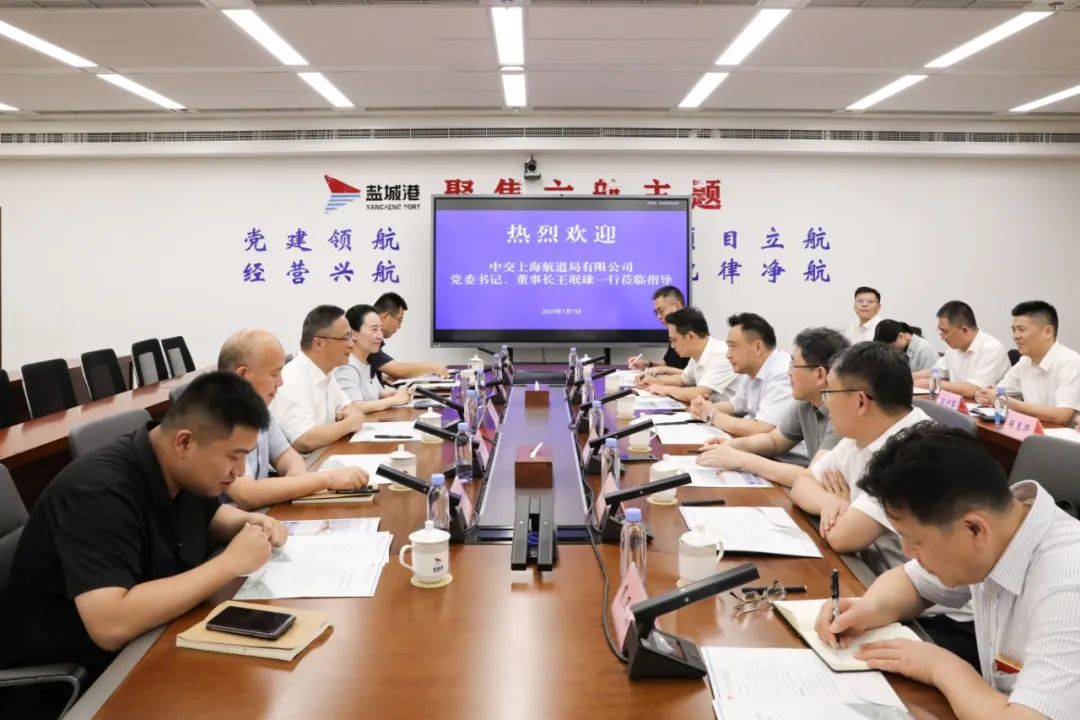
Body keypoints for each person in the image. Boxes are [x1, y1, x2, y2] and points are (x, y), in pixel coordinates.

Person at [0, 372, 286, 693]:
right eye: (234, 456)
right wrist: (229, 563)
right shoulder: (97, 493)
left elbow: (208, 517)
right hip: (80, 682)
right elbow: (111, 624)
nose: (240, 471)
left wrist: (248, 523)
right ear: (185, 442)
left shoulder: (180, 467)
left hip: (148, 642)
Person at [815, 424, 1080, 720]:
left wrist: (940, 667)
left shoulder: (1068, 585)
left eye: (916, 541)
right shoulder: (1001, 527)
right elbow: (911, 582)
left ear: (974, 529)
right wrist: (867, 609)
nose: (907, 552)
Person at [790, 342, 976, 663]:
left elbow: (843, 537)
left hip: (941, 619)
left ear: (861, 401)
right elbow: (802, 483)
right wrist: (831, 502)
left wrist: (842, 505)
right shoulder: (860, 436)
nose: (825, 402)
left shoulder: (912, 452)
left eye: (829, 393)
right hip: (885, 587)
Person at [217, 328, 369, 510]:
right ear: (243, 375)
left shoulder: (259, 410)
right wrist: (326, 479)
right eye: (274, 374)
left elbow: (287, 457)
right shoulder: (216, 420)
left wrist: (297, 483)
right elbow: (247, 494)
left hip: (262, 514)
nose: (280, 382)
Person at [696, 327, 849, 488]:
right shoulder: (805, 402)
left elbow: (813, 478)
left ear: (820, 375)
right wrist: (731, 445)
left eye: (794, 365)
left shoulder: (844, 412)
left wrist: (741, 459)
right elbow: (774, 441)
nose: (789, 372)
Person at [270, 304, 366, 462]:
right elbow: (305, 440)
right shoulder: (292, 378)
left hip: (326, 455)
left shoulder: (326, 371)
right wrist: (349, 424)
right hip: (305, 467)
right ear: (319, 343)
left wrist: (347, 421)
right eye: (345, 338)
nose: (351, 344)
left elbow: (355, 412)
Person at [974, 301, 1080, 426]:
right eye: (1014, 330)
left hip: (1061, 436)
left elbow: (1062, 416)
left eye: (1021, 330)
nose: (1016, 336)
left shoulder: (1070, 362)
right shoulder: (1025, 360)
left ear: (1047, 331)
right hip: (1033, 430)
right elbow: (999, 391)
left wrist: (1007, 402)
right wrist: (984, 394)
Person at [688, 313, 793, 438]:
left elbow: (763, 429)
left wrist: (712, 415)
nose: (728, 355)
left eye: (732, 347)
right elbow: (734, 407)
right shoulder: (753, 370)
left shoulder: (782, 373)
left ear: (757, 347)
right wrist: (702, 408)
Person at [637, 307, 740, 403]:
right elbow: (683, 380)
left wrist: (663, 389)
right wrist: (654, 381)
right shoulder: (698, 353)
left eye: (674, 340)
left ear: (690, 336)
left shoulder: (721, 354)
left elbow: (698, 393)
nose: (672, 346)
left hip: (730, 414)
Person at [913, 300, 1010, 397]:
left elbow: (974, 389)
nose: (942, 337)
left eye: (945, 332)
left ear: (964, 330)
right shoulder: (954, 348)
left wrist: (933, 384)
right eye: (940, 331)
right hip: (959, 403)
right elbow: (936, 371)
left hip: (986, 405)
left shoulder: (992, 348)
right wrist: (911, 377)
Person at [335, 304, 414, 411]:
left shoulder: (367, 362)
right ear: (353, 334)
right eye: (374, 329)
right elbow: (354, 406)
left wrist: (398, 393)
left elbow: (377, 392)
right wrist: (394, 400)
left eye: (381, 329)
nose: (380, 336)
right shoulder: (346, 365)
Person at [369, 292, 449, 382]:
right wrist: (433, 367)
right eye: (399, 320)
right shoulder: (367, 339)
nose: (399, 326)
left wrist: (383, 378)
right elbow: (399, 370)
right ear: (386, 316)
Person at [627, 285, 689, 372]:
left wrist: (660, 373)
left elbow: (691, 375)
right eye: (656, 313)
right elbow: (669, 365)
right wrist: (648, 364)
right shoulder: (674, 330)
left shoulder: (692, 331)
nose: (659, 317)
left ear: (677, 307)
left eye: (661, 311)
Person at [873, 320, 938, 372]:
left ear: (900, 336)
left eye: (891, 346)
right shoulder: (902, 349)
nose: (890, 349)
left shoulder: (924, 349)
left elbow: (932, 378)